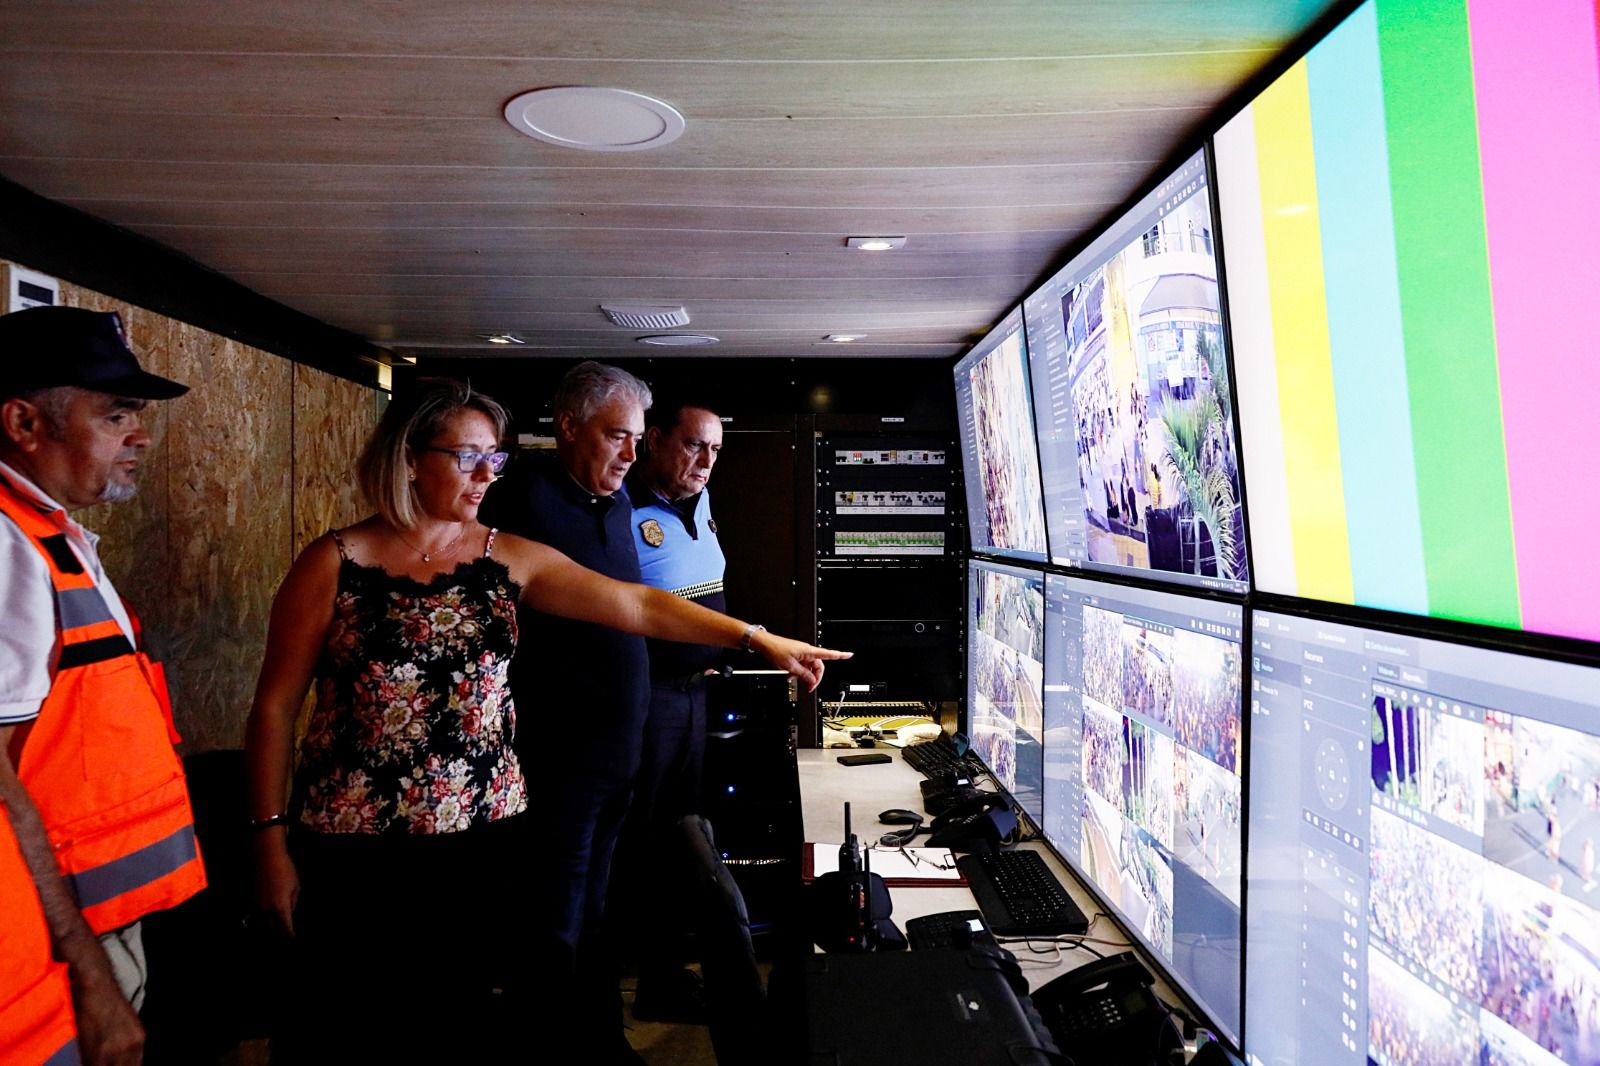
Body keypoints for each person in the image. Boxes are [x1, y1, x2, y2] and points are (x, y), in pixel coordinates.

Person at [246, 377, 843, 1059]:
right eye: (465, 456)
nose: (484, 475)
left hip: (477, 839)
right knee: (345, 1022)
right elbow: (274, 708)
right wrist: (267, 840)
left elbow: (638, 605)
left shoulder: (505, 556)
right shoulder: (333, 562)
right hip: (353, 844)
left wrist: (757, 637)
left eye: (493, 458)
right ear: (408, 457)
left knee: (456, 1019)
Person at [0, 306, 207, 1066]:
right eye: (116, 414)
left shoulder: (44, 531)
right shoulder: (6, 547)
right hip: (57, 933)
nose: (141, 436)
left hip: (89, 915)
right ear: (25, 422)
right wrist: (88, 971)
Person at [475, 361, 656, 1058]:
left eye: (637, 438)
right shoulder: (517, 502)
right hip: (556, 759)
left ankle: (598, 1040)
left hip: (618, 757)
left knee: (597, 916)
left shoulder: (616, 505)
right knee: (550, 923)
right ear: (570, 426)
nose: (631, 454)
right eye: (617, 436)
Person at [615, 399, 727, 1021]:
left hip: (693, 694)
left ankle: (668, 971)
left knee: (684, 835)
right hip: (649, 700)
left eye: (714, 450)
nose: (706, 463)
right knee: (650, 843)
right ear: (654, 440)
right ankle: (648, 978)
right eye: (692, 446)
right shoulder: (620, 508)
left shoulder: (700, 501)